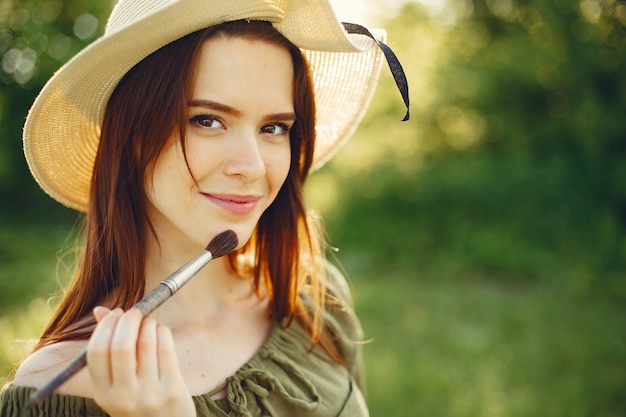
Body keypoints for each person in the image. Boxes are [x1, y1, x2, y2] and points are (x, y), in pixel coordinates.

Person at [0, 0, 408, 415]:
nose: (251, 167)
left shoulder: (313, 298)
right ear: (132, 135)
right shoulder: (59, 389)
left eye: (274, 128)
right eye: (208, 120)